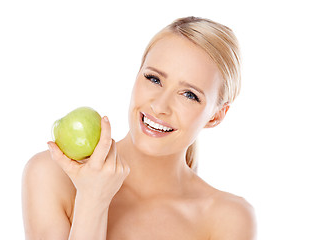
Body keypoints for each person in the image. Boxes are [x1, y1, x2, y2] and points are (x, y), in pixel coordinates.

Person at [22, 16, 256, 240]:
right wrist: (92, 200)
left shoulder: (229, 218)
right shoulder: (51, 175)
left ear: (215, 116)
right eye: (154, 79)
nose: (160, 105)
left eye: (189, 95)